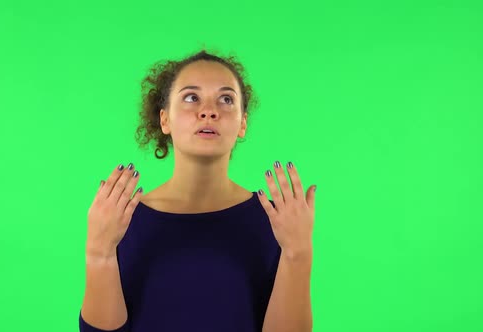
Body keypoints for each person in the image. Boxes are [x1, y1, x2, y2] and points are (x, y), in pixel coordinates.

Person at [79, 49, 316, 332]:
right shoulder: (120, 219)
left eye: (226, 99)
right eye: (191, 98)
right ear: (164, 119)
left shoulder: (277, 220)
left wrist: (298, 253)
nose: (209, 111)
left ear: (243, 123)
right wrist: (98, 252)